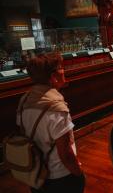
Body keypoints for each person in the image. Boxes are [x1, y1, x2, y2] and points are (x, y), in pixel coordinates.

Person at [16, 53, 84, 193]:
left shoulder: (24, 100)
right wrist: (78, 172)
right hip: (59, 176)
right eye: (61, 67)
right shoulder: (57, 109)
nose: (64, 70)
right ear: (53, 76)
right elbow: (65, 153)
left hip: (36, 173)